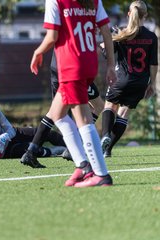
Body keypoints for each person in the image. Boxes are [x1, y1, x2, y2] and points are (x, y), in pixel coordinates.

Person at [23, 0, 117, 187]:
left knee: (83, 120)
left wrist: (37, 51)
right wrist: (110, 65)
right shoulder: (93, 1)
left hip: (71, 66)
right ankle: (82, 165)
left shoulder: (56, 1)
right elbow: (106, 32)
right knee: (57, 114)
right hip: (88, 63)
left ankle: (100, 174)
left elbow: (52, 36)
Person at [21, 50, 105, 167]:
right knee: (95, 106)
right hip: (72, 70)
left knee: (56, 111)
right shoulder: (73, 32)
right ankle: (75, 151)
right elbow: (54, 37)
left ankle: (31, 152)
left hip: (58, 68)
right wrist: (38, 52)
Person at [100, 0, 158, 157]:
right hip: (140, 82)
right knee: (124, 113)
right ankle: (108, 149)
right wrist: (152, 84)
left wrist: (104, 45)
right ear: (145, 15)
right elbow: (153, 64)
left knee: (110, 105)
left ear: (128, 14)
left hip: (121, 79)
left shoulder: (121, 34)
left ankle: (105, 135)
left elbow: (107, 52)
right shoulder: (152, 37)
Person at [0, 96, 68, 164]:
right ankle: (56, 151)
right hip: (5, 151)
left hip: (13, 134)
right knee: (33, 150)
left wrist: (2, 138)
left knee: (46, 133)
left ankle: (76, 148)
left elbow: (11, 130)